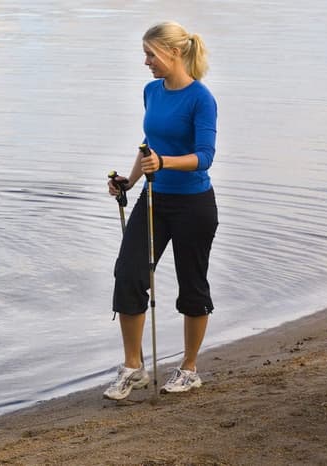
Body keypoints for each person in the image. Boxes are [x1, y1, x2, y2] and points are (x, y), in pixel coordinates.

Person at [103, 21, 219, 400]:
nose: (146, 61)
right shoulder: (151, 91)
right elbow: (148, 145)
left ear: (174, 53)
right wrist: (130, 181)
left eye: (151, 54)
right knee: (129, 273)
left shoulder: (201, 99)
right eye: (145, 53)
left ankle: (188, 369)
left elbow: (204, 158)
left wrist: (165, 162)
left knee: (192, 285)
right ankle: (133, 368)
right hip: (153, 199)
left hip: (194, 205)